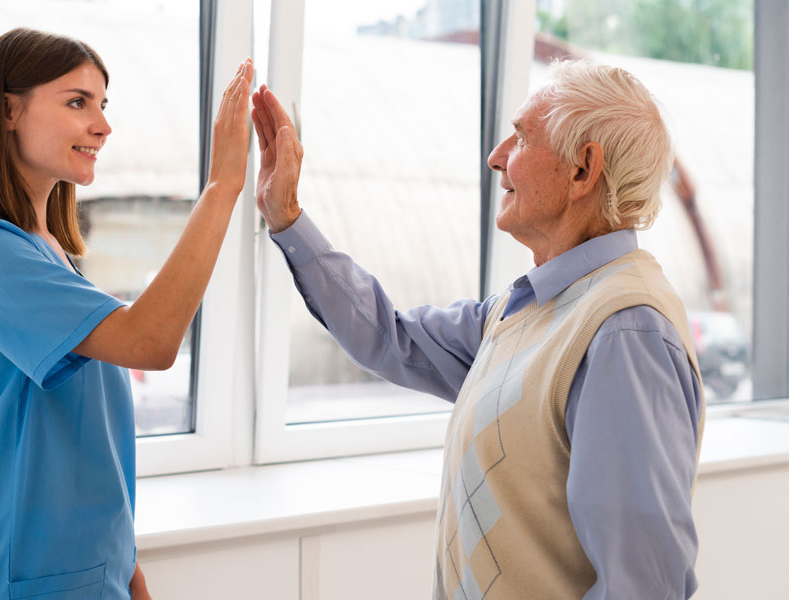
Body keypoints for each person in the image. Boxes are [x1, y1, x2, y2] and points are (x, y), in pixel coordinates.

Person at [251, 59, 704, 599]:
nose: (496, 158)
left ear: (583, 169)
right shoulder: (528, 308)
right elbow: (392, 337)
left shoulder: (625, 333)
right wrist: (287, 216)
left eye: (521, 137)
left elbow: (642, 587)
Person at [0, 28, 252, 599]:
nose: (102, 125)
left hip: (93, 578)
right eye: (78, 102)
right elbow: (150, 340)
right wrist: (223, 187)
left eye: (103, 105)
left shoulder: (52, 254)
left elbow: (87, 447)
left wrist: (129, 574)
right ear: (8, 110)